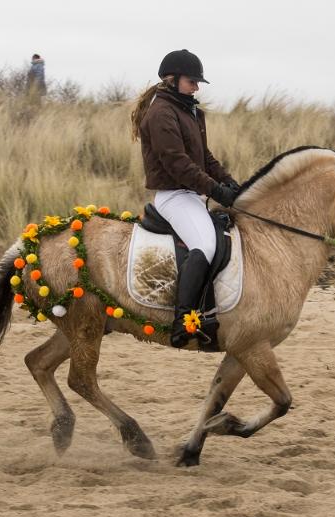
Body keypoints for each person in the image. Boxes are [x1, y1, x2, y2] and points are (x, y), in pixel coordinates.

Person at [131, 49, 240, 348]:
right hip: (173, 195)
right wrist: (216, 191)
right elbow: (177, 163)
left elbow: (204, 157)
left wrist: (229, 181)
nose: (196, 87)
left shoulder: (190, 112)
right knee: (204, 245)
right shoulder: (161, 113)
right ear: (172, 79)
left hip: (190, 194)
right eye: (192, 81)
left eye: (197, 82)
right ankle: (182, 321)